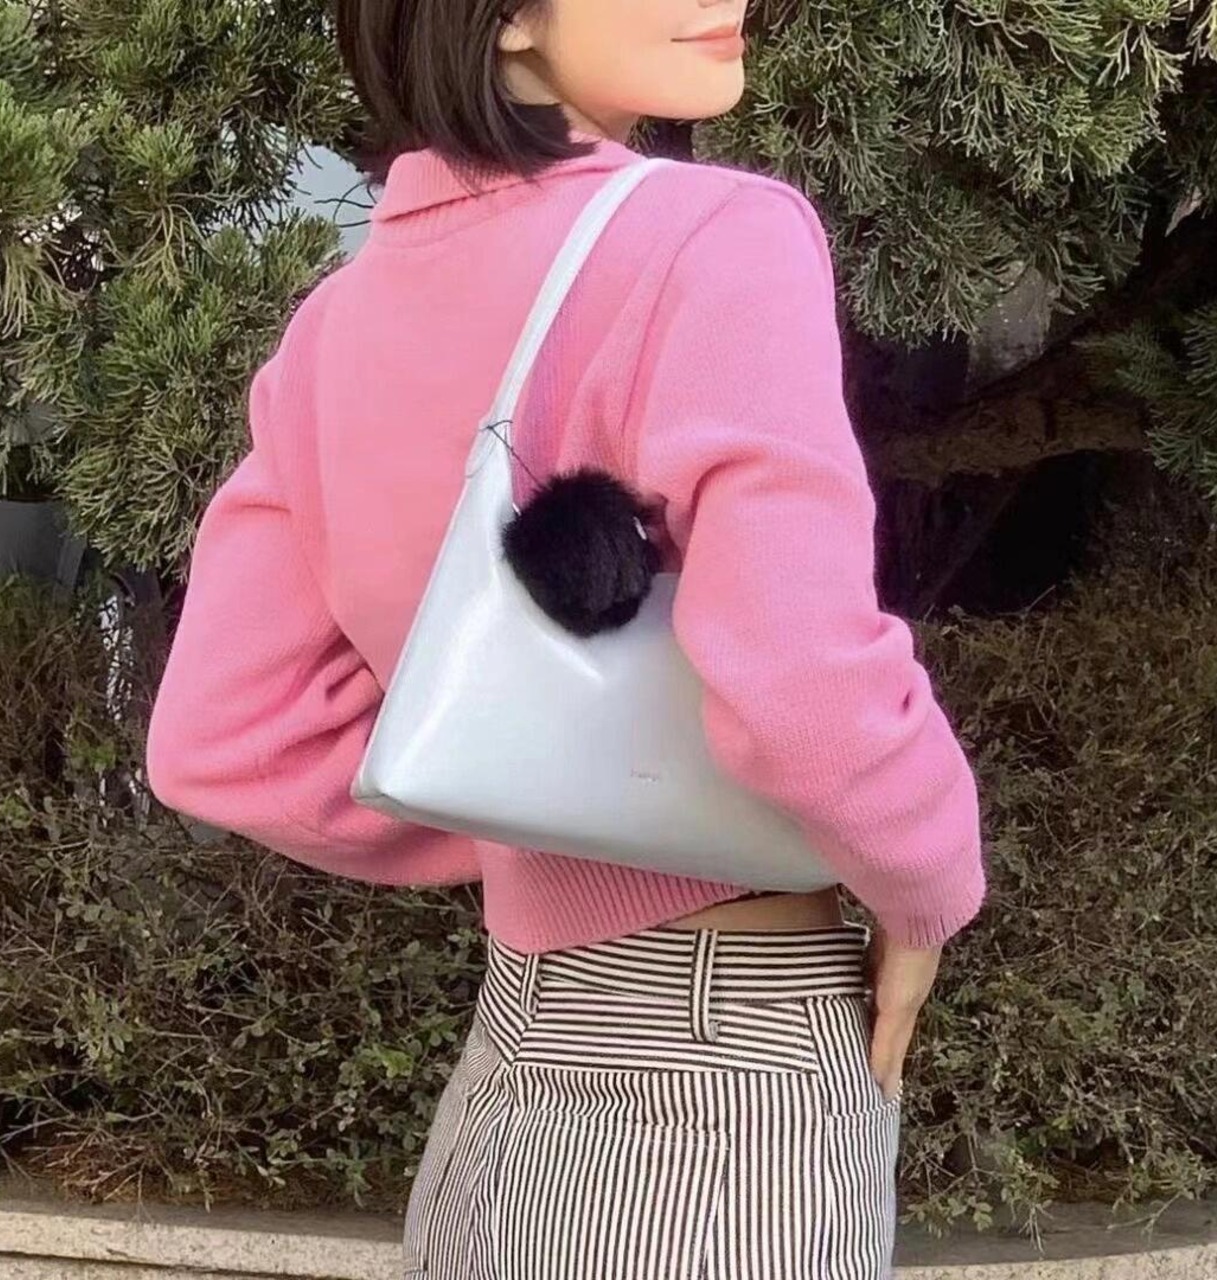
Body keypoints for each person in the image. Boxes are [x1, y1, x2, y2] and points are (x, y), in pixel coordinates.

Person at [146, 0, 987, 1274]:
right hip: (723, 1091)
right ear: (499, 21)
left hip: (504, 1085)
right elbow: (803, 679)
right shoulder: (715, 235)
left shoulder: (338, 320)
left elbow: (222, 734)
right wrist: (927, 887)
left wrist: (532, 808)